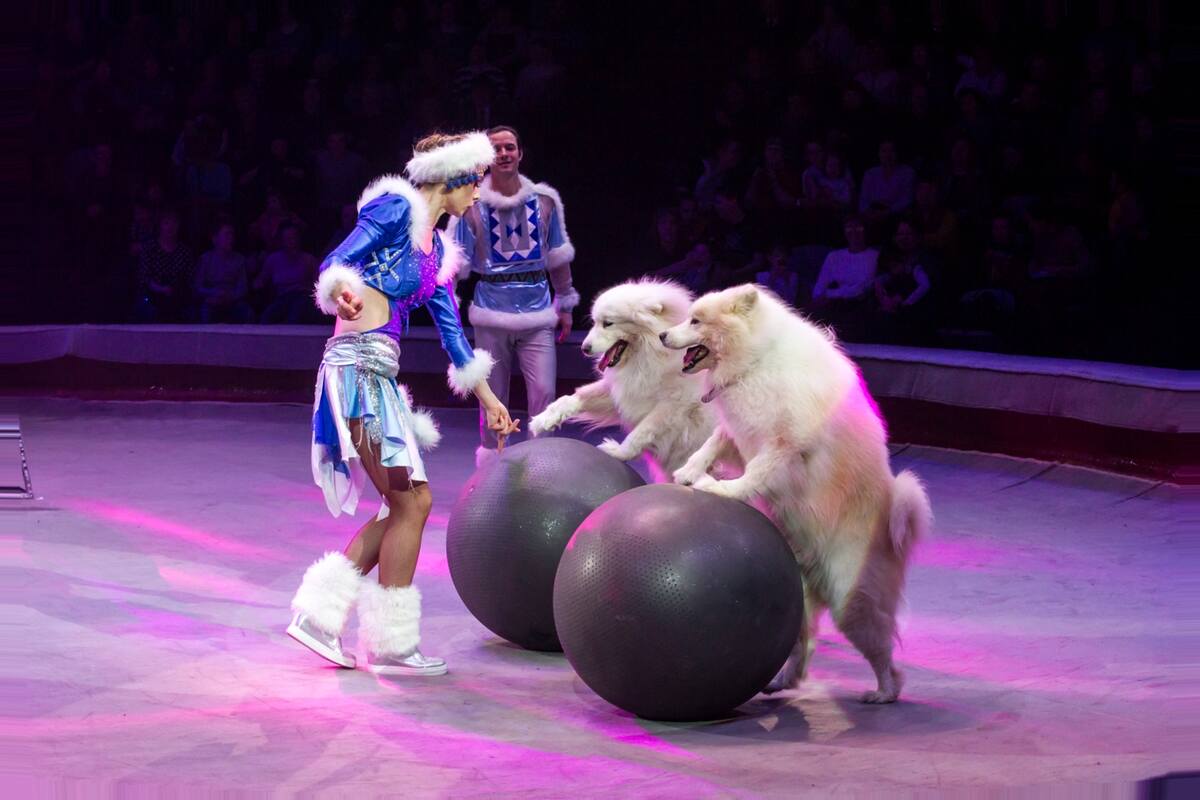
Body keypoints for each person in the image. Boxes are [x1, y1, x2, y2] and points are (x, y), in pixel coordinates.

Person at [287, 131, 518, 677]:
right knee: (411, 501)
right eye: (476, 183)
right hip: (356, 368)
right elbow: (337, 259)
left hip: (381, 379)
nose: (479, 195)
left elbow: (454, 336)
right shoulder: (395, 210)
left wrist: (489, 399)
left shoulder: (438, 254)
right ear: (456, 176)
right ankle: (367, 638)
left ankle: (341, 626)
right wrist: (340, 288)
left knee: (405, 503)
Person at [455, 125, 578, 466]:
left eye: (510, 147)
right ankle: (492, 469)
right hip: (490, 311)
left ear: (520, 153)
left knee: (544, 394)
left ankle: (540, 467)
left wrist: (565, 301)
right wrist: (447, 306)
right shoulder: (471, 206)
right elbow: (456, 262)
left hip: (537, 311)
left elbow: (557, 254)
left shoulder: (545, 202)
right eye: (497, 149)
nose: (504, 154)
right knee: (492, 396)